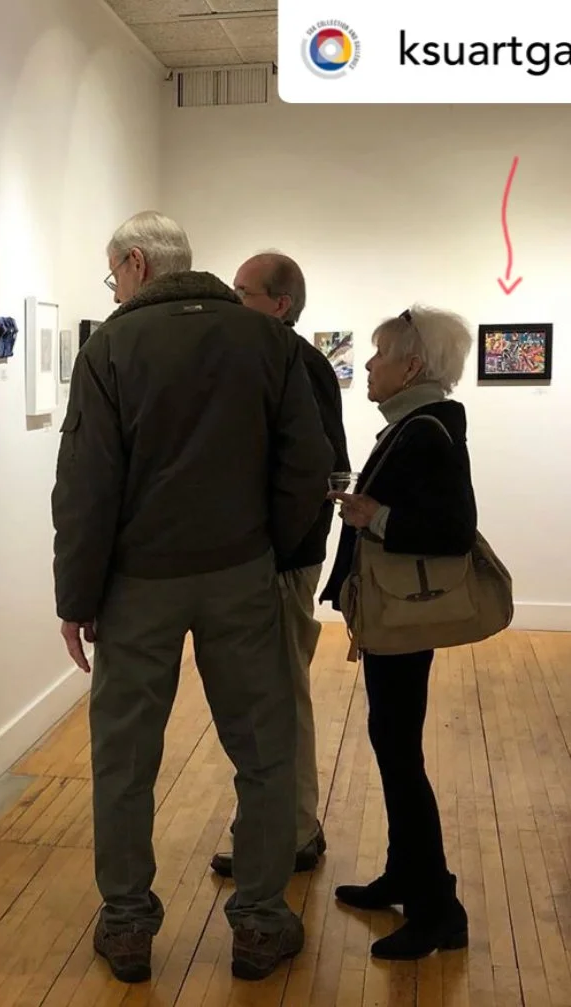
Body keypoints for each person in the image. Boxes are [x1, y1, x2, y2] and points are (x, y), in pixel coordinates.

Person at [51, 211, 334, 983]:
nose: (112, 288)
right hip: (241, 573)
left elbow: (86, 486)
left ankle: (130, 922)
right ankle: (261, 920)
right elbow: (308, 465)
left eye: (112, 273)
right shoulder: (267, 341)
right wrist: (264, 544)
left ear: (137, 265)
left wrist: (76, 597)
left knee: (125, 757)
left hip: (137, 584)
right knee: (265, 752)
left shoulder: (110, 348)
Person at [320, 305, 475, 960]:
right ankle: (405, 873)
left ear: (413, 366)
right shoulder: (411, 426)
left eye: (380, 353)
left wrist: (373, 515)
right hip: (396, 614)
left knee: (399, 750)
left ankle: (438, 905)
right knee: (391, 740)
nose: (371, 365)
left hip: (405, 615)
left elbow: (451, 529)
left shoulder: (426, 432)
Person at [207, 251, 350, 883]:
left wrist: (277, 549)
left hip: (282, 562)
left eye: (242, 292)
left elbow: (319, 470)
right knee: (267, 696)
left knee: (278, 694)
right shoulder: (271, 360)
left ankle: (288, 831)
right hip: (272, 556)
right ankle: (287, 825)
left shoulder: (300, 364)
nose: (233, 302)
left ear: (279, 303)